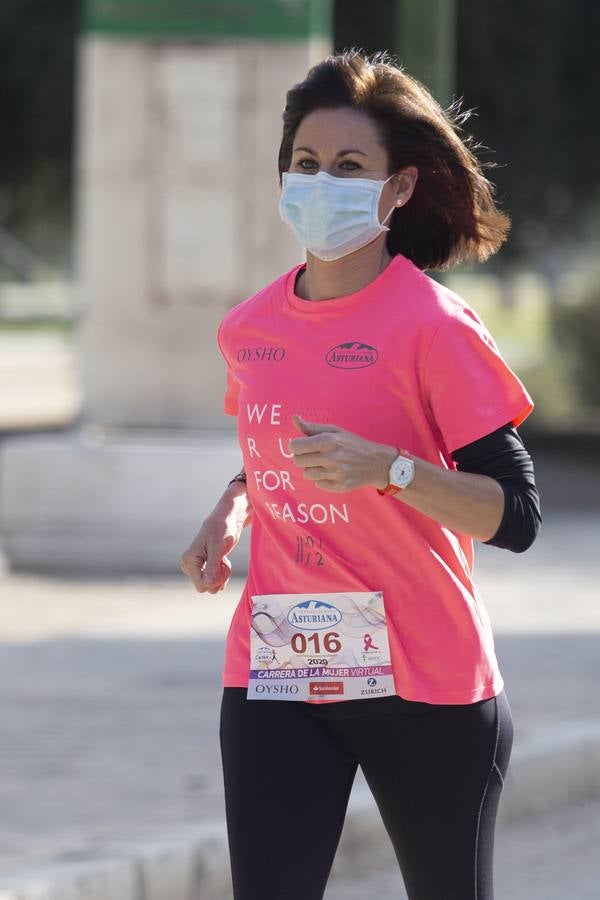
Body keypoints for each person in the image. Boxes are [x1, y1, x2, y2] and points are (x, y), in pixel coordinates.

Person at [181, 49, 542, 900]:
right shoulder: (248, 329)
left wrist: (391, 470)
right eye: (305, 165)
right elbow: (273, 438)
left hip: (426, 679)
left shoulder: (433, 326)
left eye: (349, 167)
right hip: (279, 668)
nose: (321, 182)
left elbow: (518, 512)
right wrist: (232, 508)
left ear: (400, 189)